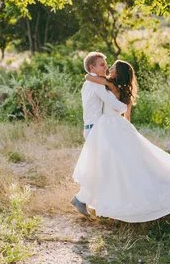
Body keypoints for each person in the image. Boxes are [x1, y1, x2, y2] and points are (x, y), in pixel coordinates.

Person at [72, 60, 170, 223]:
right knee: (112, 164)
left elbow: (124, 111)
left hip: (113, 127)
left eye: (111, 68)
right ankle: (85, 198)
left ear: (118, 73)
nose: (108, 68)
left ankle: (86, 198)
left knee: (120, 164)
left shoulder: (114, 87)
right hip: (109, 127)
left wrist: (127, 129)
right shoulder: (111, 85)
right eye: (106, 66)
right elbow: (90, 79)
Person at [71, 52, 128, 217]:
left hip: (93, 128)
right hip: (95, 129)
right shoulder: (96, 85)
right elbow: (114, 105)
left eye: (106, 64)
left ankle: (82, 199)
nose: (106, 67)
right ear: (92, 67)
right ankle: (81, 199)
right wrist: (125, 106)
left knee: (100, 166)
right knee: (101, 167)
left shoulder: (91, 82)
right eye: (102, 65)